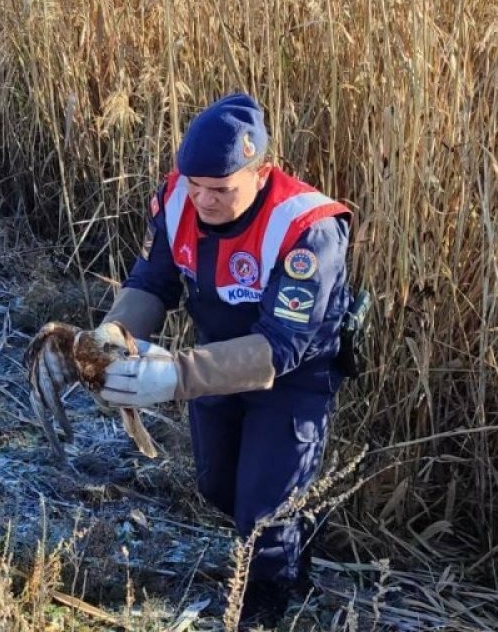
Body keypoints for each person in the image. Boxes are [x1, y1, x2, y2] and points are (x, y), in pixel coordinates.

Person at [91, 92, 352, 628]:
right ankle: (294, 524)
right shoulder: (176, 199)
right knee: (216, 484)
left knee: (262, 514)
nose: (204, 201)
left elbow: (282, 346)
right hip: (214, 360)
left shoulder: (308, 229)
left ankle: (267, 597)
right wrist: (113, 335)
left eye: (221, 190)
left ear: (261, 174)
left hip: (293, 377)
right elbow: (153, 281)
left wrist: (174, 375)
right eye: (196, 186)